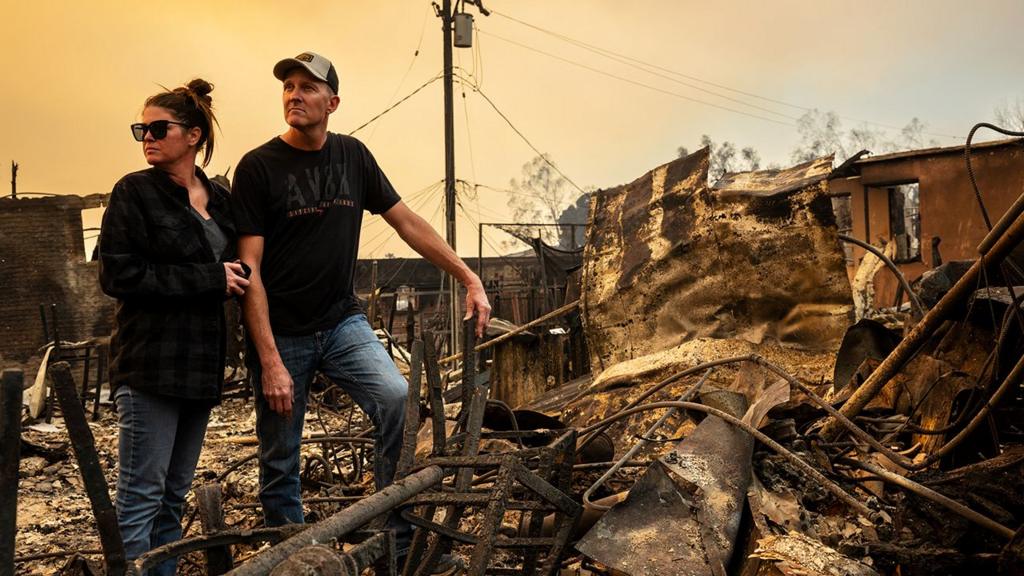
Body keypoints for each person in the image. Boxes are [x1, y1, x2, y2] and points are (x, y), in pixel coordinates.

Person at [231, 51, 490, 568]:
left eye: (307, 87)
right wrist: (270, 361)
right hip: (281, 333)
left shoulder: (353, 156)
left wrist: (468, 276)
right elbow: (249, 271)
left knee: (396, 399)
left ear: (333, 102)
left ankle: (394, 544)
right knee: (281, 458)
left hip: (342, 322)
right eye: (288, 87)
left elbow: (407, 223)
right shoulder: (259, 167)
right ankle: (296, 563)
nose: (294, 95)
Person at [99, 79, 249, 575]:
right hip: (150, 367)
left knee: (172, 499)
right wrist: (209, 277)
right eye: (141, 128)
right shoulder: (134, 192)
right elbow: (118, 274)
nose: (147, 136)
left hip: (200, 370)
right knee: (140, 499)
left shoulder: (221, 200)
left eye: (159, 127)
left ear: (194, 135)